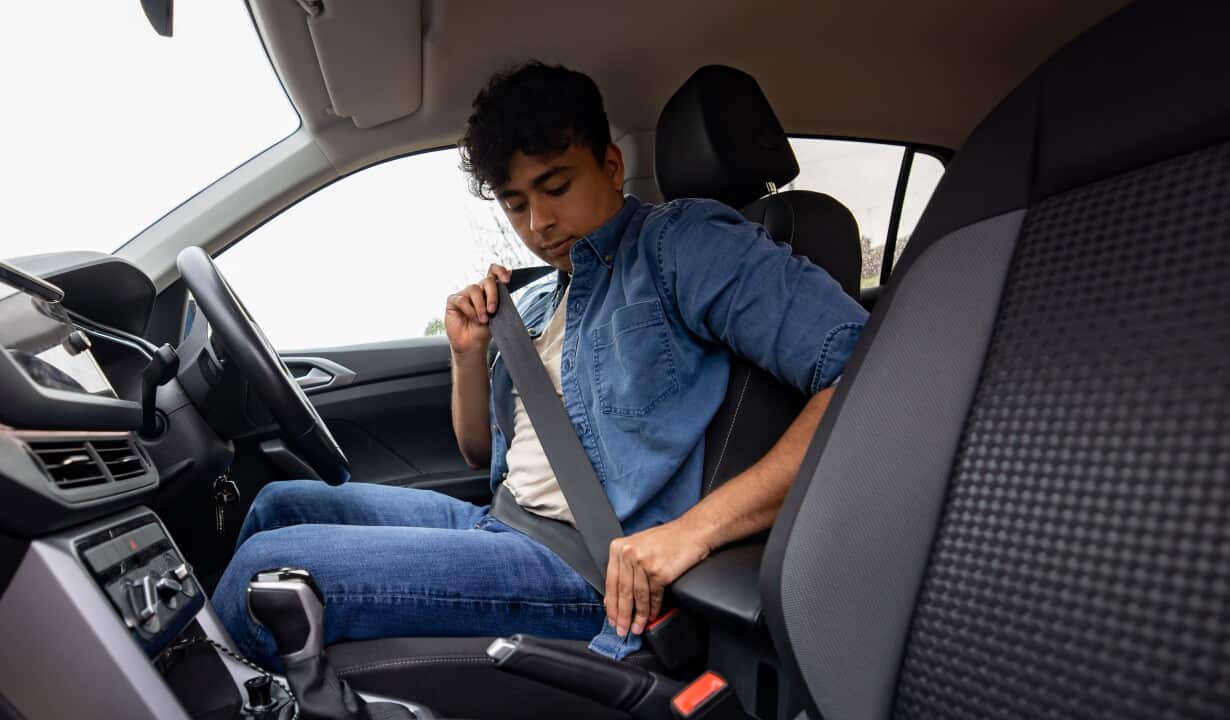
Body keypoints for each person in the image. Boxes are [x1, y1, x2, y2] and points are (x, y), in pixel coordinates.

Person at [211, 61, 868, 668]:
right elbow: (478, 454)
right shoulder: (529, 301)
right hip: (500, 523)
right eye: (515, 202)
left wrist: (689, 535)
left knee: (264, 573)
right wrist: (467, 356)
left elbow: (862, 379)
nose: (540, 222)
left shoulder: (681, 245)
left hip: (585, 567)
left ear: (611, 165)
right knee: (277, 504)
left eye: (556, 187)